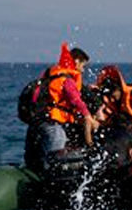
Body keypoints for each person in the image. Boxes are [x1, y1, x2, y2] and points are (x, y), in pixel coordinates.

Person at [24, 43, 100, 174]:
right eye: (83, 66)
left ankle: (37, 170)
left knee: (40, 151)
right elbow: (75, 99)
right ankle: (51, 177)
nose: (82, 70)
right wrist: (87, 116)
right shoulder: (66, 79)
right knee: (57, 147)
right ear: (76, 61)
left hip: (37, 121)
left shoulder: (52, 74)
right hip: (49, 123)